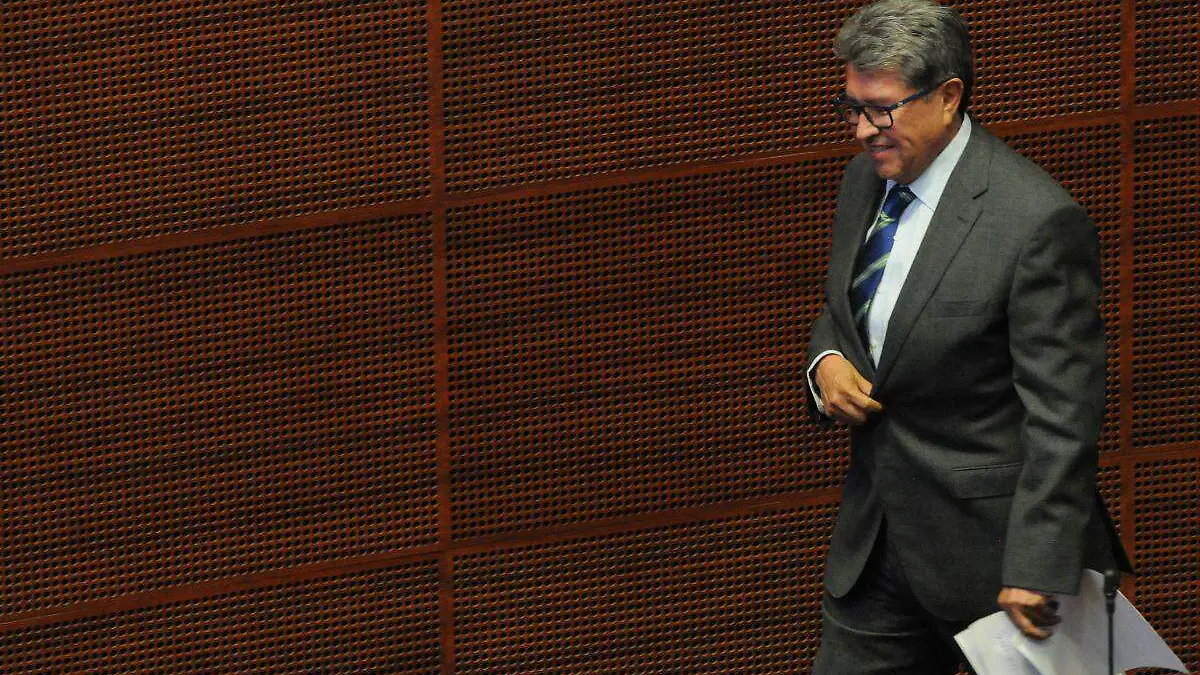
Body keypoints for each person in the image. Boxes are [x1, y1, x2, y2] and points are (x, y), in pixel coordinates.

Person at [804, 1, 1131, 672]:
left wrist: (1037, 563)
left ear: (948, 96)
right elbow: (849, 308)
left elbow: (1063, 415)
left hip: (998, 560)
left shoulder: (1035, 222)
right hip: (877, 546)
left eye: (881, 110)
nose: (862, 130)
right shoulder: (865, 180)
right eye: (852, 107)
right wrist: (827, 361)